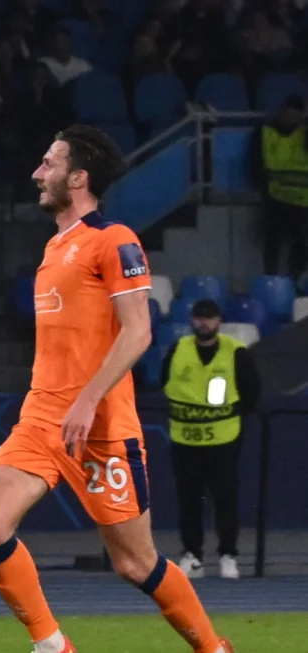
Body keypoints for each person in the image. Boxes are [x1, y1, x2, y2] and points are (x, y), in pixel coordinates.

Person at [0, 124, 233, 653]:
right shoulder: (52, 249)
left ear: (79, 177)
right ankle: (53, 646)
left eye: (49, 163)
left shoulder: (115, 240)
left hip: (102, 425)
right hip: (43, 415)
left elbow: (138, 331)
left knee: (133, 563)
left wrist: (88, 400)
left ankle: (213, 648)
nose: (37, 173)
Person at [161, 299, 261, 580]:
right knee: (189, 500)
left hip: (223, 441)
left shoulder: (236, 352)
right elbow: (163, 382)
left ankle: (228, 555)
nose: (204, 322)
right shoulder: (178, 349)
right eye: (199, 317)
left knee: (225, 501)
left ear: (219, 320)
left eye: (210, 317)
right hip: (185, 441)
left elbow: (252, 391)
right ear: (192, 320)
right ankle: (192, 555)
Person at [253, 95, 308, 277]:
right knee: (273, 243)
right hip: (275, 198)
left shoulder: (304, 134)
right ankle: (271, 281)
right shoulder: (265, 131)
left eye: (296, 116)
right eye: (288, 114)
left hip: (301, 201)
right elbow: (257, 162)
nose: (291, 119)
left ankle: (296, 281)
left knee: (300, 244)